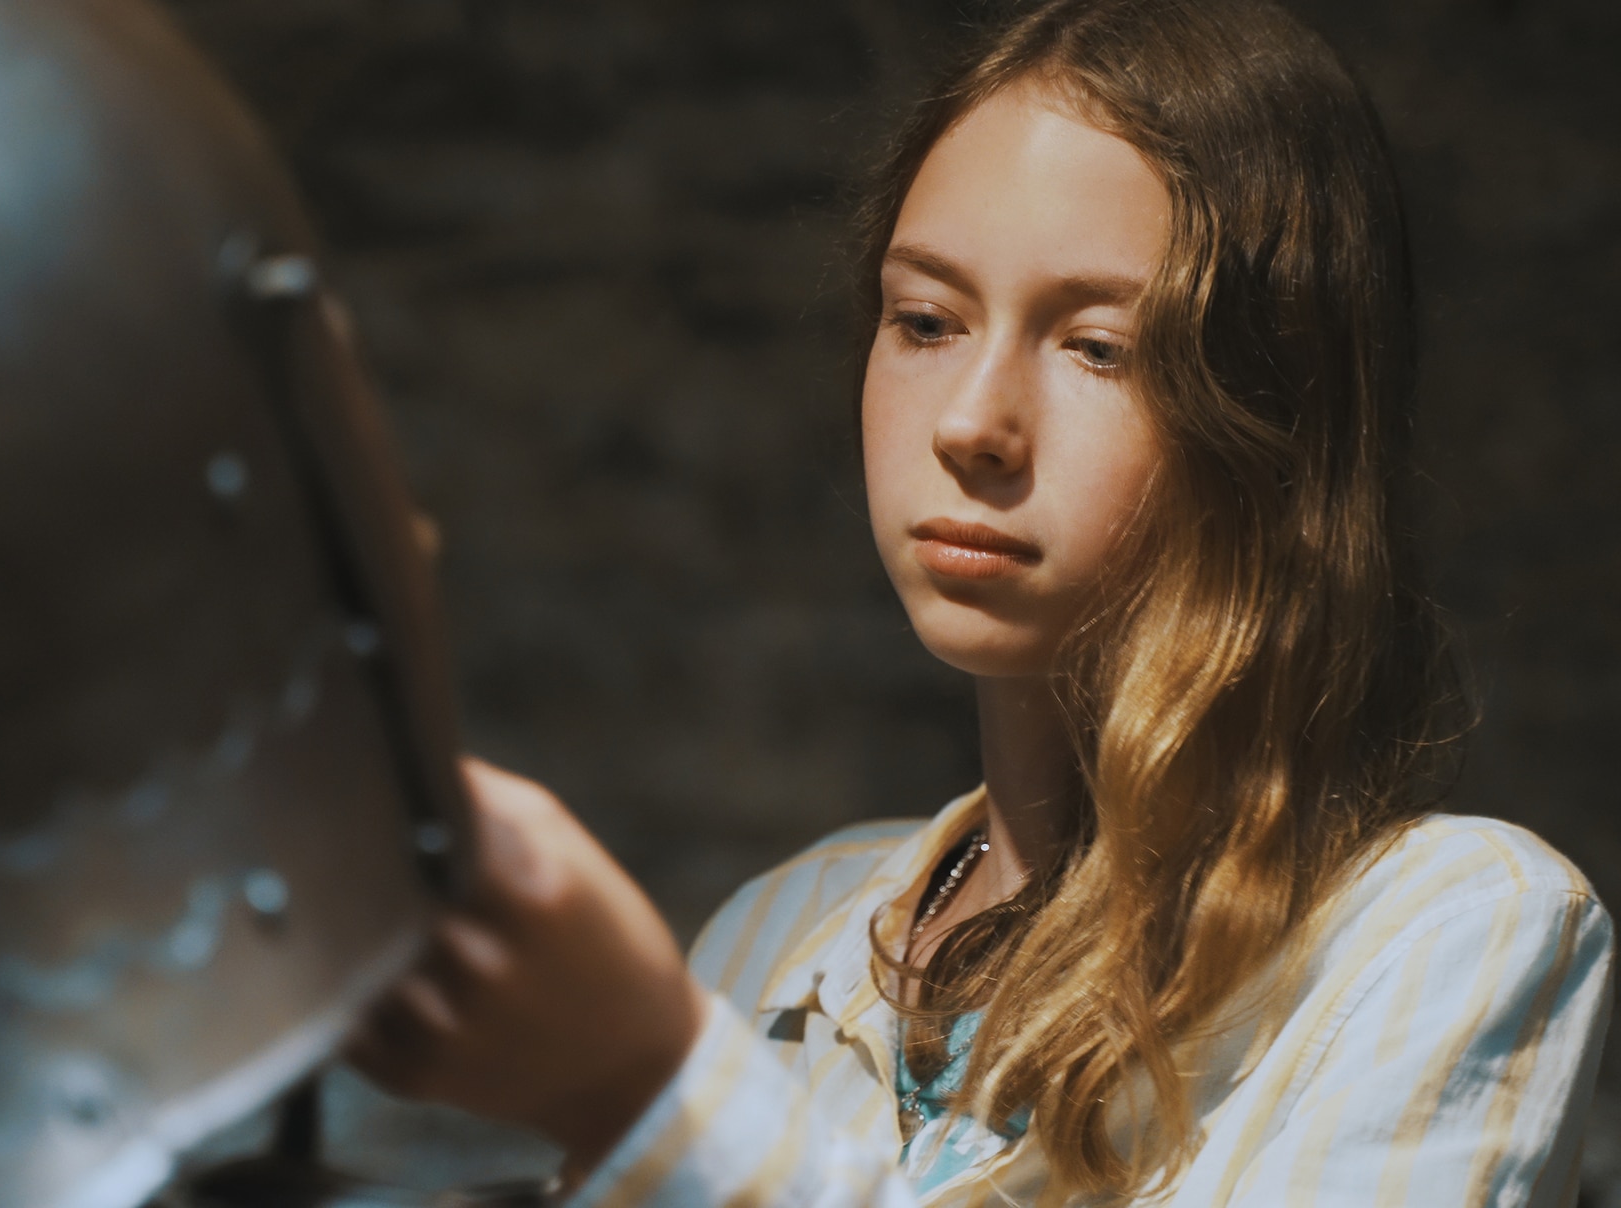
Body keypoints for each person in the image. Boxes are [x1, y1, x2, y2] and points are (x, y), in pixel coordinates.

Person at [343, 0, 1616, 1204]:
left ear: (1273, 417)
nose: (969, 425)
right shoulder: (783, 932)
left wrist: (654, 1088)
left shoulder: (1446, 933)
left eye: (1096, 346)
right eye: (925, 319)